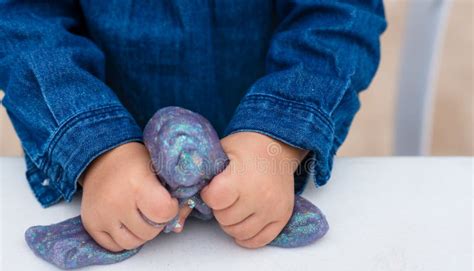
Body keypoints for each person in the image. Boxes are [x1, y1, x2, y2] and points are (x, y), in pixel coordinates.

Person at [0, 1, 386, 251]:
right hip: (99, 163)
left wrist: (279, 138)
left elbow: (341, 15)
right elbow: (22, 22)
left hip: (267, 161)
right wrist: (95, 148)